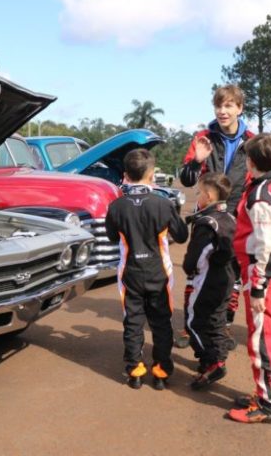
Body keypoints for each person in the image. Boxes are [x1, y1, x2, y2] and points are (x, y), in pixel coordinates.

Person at [105, 148, 189, 390]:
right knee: (161, 322)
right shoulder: (163, 204)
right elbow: (181, 236)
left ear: (125, 175)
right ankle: (161, 371)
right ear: (152, 174)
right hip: (159, 273)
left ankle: (135, 370)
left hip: (130, 272)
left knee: (133, 321)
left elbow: (112, 237)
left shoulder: (116, 206)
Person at [179, 84, 255, 339]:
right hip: (206, 217)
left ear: (239, 108)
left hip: (237, 218)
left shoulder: (252, 141)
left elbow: (256, 181)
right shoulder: (203, 137)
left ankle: (223, 324)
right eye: (218, 106)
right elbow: (188, 180)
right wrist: (197, 160)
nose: (222, 111)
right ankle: (191, 324)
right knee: (197, 269)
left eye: (229, 105)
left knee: (230, 275)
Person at [228, 134, 271, 424]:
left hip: (265, 272)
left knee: (262, 340)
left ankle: (269, 403)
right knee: (268, 335)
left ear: (251, 161)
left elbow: (265, 247)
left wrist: (257, 287)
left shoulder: (261, 196)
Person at [182, 172, 236, 390]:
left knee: (193, 322)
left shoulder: (207, 223)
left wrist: (189, 269)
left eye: (199, 192)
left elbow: (195, 257)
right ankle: (211, 360)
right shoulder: (231, 218)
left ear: (208, 196)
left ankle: (214, 361)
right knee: (216, 320)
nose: (197, 197)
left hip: (207, 280)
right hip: (228, 278)